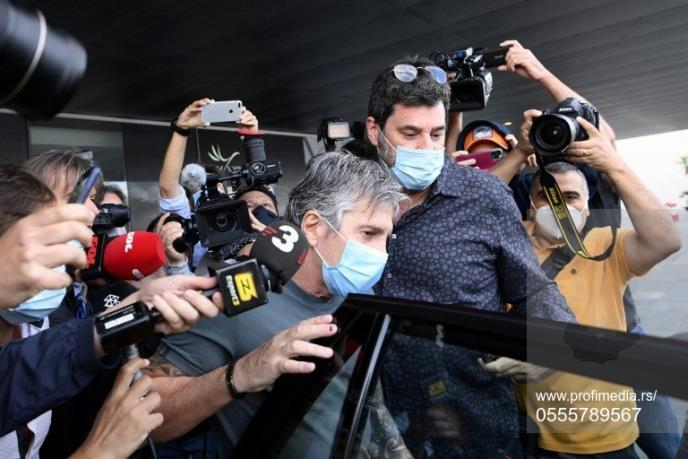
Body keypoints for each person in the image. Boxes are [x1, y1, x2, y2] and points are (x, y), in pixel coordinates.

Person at [364, 55, 575, 458]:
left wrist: (548, 344)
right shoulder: (349, 198)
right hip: (370, 429)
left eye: (436, 133)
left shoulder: (484, 197)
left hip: (474, 428)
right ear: (375, 130)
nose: (427, 147)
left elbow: (533, 290)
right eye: (410, 133)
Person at [144, 151, 406, 456]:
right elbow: (150, 415)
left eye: (386, 239)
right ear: (313, 227)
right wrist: (241, 374)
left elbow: (371, 401)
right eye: (369, 233)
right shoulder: (234, 299)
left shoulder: (362, 295)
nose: (380, 254)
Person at [159, 98, 265, 269]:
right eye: (201, 185)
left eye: (216, 184)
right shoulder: (192, 222)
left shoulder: (248, 218)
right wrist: (181, 129)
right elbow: (167, 189)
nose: (211, 192)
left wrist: (251, 137)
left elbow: (261, 188)